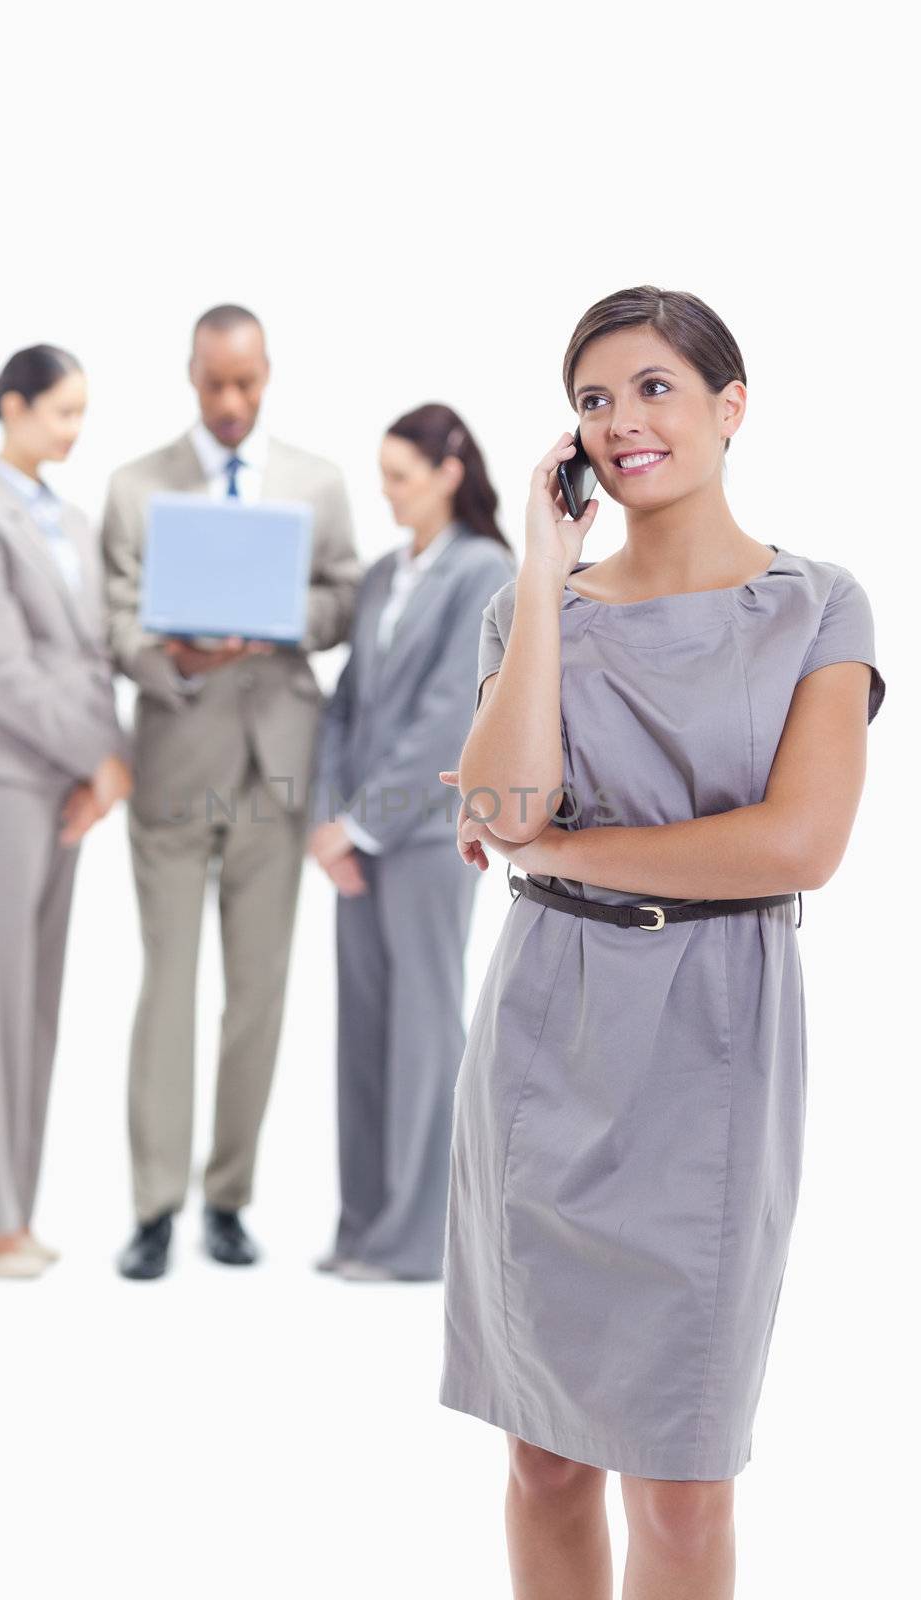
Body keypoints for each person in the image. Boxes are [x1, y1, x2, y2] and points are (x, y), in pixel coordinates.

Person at [437, 286, 886, 1597]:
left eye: (652, 389)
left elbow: (796, 843)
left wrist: (561, 851)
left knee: (683, 1488)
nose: (622, 422)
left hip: (712, 1045)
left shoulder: (818, 606)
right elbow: (501, 804)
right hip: (543, 1041)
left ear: (727, 407)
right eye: (592, 398)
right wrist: (534, 566)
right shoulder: (537, 615)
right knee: (541, 1463)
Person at [102, 303, 361, 1279]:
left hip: (275, 764)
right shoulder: (135, 487)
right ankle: (152, 1207)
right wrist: (174, 650)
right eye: (212, 383)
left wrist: (279, 616)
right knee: (166, 988)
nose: (228, 402)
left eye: (244, 384)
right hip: (175, 759)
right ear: (189, 375)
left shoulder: (317, 483)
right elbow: (114, 617)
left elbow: (344, 597)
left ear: (266, 375)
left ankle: (226, 1198)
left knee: (257, 993)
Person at [0, 344, 133, 1278]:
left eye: (82, 411)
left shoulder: (75, 518)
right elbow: (4, 672)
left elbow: (93, 657)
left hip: (70, 785)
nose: (75, 429)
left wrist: (109, 768)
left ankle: (13, 1210)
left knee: (38, 996)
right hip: (9, 781)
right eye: (62, 411)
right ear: (14, 407)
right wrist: (93, 756)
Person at [306, 404, 515, 1282]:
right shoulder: (387, 576)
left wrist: (359, 822)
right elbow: (344, 702)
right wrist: (328, 822)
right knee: (362, 1029)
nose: (385, 495)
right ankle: (361, 1226)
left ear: (447, 473)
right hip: (354, 841)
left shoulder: (486, 572)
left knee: (424, 1030)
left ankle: (414, 1238)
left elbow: (447, 720)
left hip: (426, 838)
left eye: (399, 477)